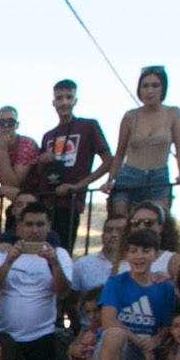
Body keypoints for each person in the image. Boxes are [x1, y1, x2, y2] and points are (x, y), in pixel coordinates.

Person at [83, 227, 175, 360]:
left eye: (145, 251)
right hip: (117, 349)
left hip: (144, 356)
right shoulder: (116, 282)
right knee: (115, 334)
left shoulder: (165, 287)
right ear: (126, 254)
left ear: (156, 254)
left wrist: (155, 342)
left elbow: (166, 326)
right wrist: (142, 343)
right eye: (133, 251)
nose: (139, 256)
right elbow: (109, 322)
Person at [0, 202, 72, 360]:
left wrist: (54, 264)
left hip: (40, 337)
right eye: (30, 224)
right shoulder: (3, 254)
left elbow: (63, 292)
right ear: (19, 227)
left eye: (40, 224)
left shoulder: (60, 254)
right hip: (5, 337)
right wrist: (8, 262)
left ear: (49, 226)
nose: (35, 230)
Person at [37, 79, 113, 249]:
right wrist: (41, 161)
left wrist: (78, 186)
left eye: (68, 97)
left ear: (75, 101)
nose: (64, 102)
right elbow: (39, 172)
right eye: (60, 98)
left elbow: (108, 161)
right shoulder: (48, 135)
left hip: (69, 203)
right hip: (46, 202)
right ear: (53, 102)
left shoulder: (88, 126)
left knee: (61, 253)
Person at [104, 65, 180, 215]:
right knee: (121, 218)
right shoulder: (130, 116)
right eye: (145, 86)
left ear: (163, 88)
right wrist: (110, 179)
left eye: (155, 85)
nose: (150, 90)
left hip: (159, 175)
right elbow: (119, 153)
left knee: (159, 220)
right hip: (129, 174)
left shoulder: (174, 113)